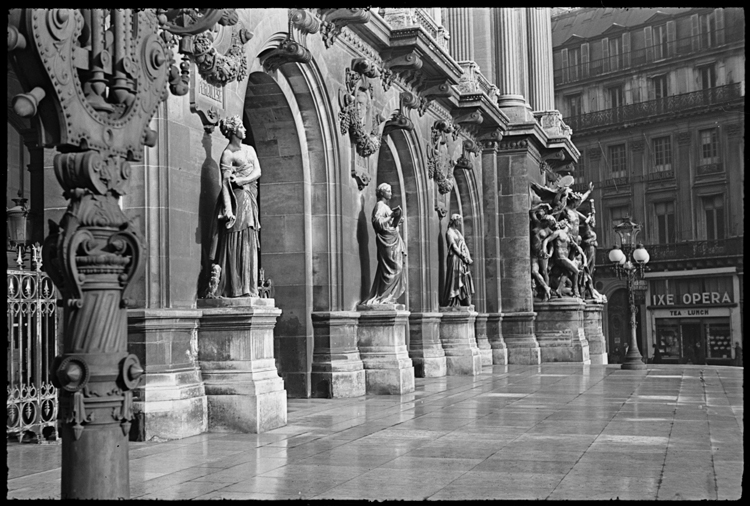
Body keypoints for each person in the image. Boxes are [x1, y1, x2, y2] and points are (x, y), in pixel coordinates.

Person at [209, 115, 262, 298]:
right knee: (238, 236)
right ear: (233, 131)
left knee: (249, 236)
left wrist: (241, 180)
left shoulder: (249, 149)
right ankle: (236, 286)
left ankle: (249, 286)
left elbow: (258, 171)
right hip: (237, 198)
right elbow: (224, 184)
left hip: (249, 196)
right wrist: (228, 210)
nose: (244, 129)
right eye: (241, 127)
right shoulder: (228, 154)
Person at [362, 183, 407, 305]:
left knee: (394, 268)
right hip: (386, 240)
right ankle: (383, 297)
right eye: (388, 191)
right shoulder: (380, 206)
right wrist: (391, 216)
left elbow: (390, 224)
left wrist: (397, 219)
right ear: (382, 193)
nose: (391, 193)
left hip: (392, 239)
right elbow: (378, 223)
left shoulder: (385, 206)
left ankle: (387, 297)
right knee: (394, 268)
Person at [442, 214, 474, 307]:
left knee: (463, 278)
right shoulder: (449, 232)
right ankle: (453, 300)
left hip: (461, 260)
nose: (459, 223)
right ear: (454, 221)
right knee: (455, 278)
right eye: (458, 220)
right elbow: (454, 246)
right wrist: (462, 256)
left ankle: (462, 299)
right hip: (454, 259)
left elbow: (464, 245)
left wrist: (468, 257)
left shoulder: (457, 232)